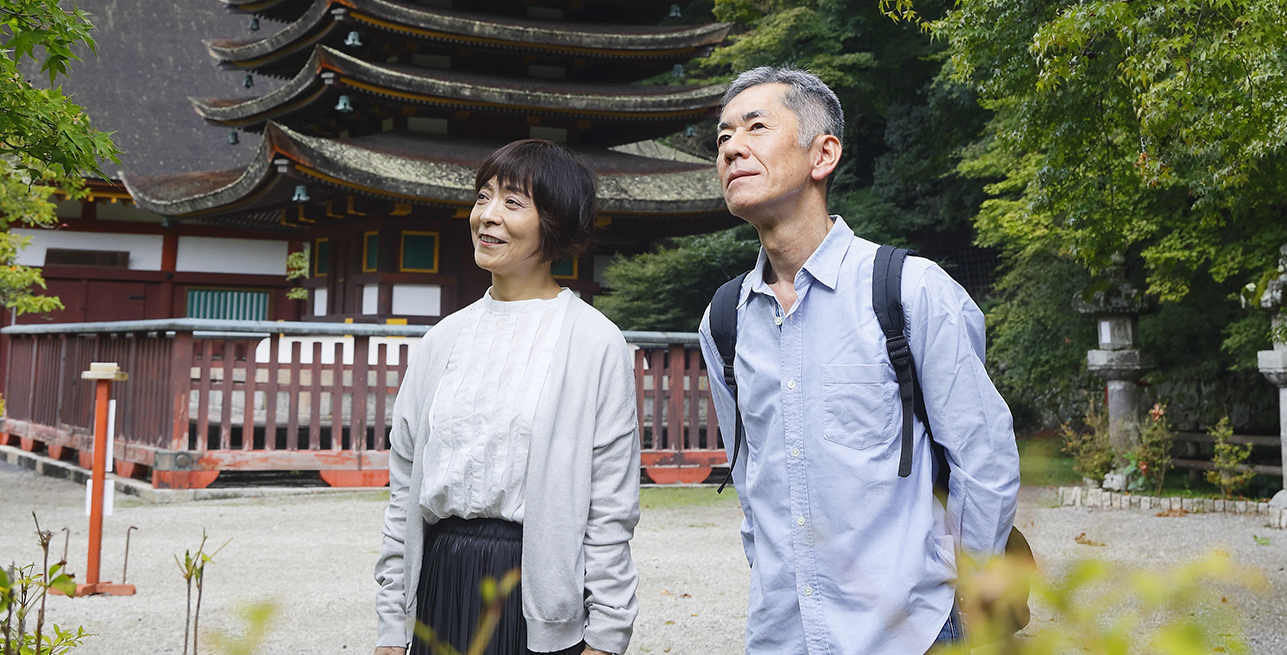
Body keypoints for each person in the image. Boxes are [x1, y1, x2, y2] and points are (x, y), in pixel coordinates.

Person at [699, 66, 1021, 655]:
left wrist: (971, 594)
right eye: (722, 137)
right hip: (781, 635)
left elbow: (984, 459)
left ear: (823, 154)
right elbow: (752, 478)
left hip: (911, 632)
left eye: (755, 127)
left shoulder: (909, 291)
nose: (731, 148)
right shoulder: (726, 320)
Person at [375, 139, 640, 655]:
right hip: (440, 581)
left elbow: (611, 501)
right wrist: (391, 622)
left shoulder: (593, 341)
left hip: (536, 587)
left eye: (512, 203)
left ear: (556, 223)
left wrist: (608, 632)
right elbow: (404, 486)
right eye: (482, 198)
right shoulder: (442, 339)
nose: (487, 217)